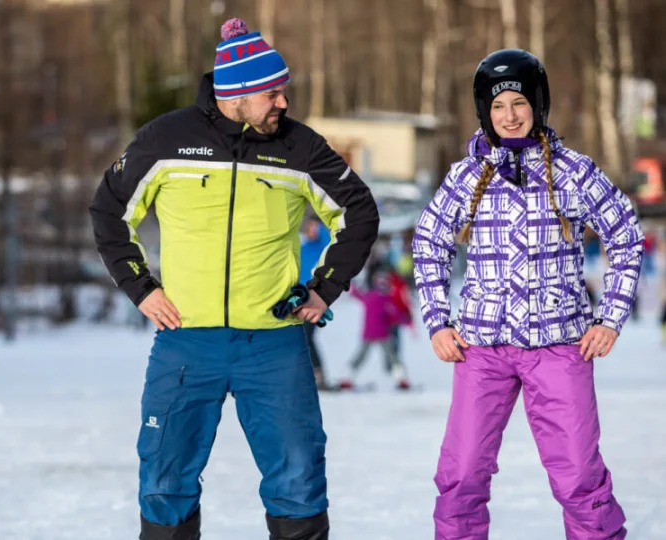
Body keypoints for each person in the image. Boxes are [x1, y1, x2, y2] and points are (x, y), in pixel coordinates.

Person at [89, 18, 379, 540]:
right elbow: (109, 209)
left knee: (298, 479)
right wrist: (141, 287)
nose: (283, 103)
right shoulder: (165, 138)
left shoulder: (301, 147)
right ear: (237, 95)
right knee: (164, 480)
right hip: (184, 342)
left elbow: (358, 212)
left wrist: (324, 286)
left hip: (273, 345)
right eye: (273, 93)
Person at [413, 49, 643, 539]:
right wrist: (437, 318)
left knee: (579, 476)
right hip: (482, 347)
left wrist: (610, 316)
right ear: (484, 112)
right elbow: (429, 241)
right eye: (498, 107)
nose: (510, 115)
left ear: (538, 105)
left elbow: (624, 233)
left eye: (518, 102)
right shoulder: (466, 176)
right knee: (461, 476)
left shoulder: (575, 171)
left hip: (559, 343)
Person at [340, 271, 411, 390]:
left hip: (369, 334)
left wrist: (349, 285)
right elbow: (396, 315)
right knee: (393, 357)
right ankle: (402, 380)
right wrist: (407, 320)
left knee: (360, 357)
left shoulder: (368, 297)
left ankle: (347, 378)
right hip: (383, 334)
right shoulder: (387, 300)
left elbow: (356, 294)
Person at [300, 215, 333, 389]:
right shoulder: (304, 248)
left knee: (307, 336)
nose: (310, 230)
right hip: (298, 300)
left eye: (314, 227)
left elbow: (328, 239)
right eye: (308, 226)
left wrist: (318, 226)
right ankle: (308, 375)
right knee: (300, 338)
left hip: (316, 300)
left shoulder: (322, 246)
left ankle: (318, 375)